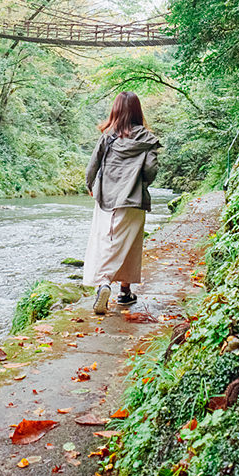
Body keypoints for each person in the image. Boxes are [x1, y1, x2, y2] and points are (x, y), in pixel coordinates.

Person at [83, 91, 160, 315]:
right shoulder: (147, 139)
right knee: (130, 243)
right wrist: (137, 182)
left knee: (105, 240)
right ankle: (124, 292)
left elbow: (92, 167)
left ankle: (104, 283)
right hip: (133, 199)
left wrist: (90, 186)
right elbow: (150, 172)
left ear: (116, 111)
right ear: (138, 111)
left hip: (106, 198)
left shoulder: (108, 136)